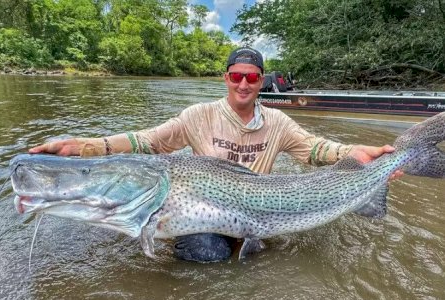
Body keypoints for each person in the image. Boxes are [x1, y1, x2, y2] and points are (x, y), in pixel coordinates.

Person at [29, 47, 401, 262]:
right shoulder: (197, 116)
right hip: (210, 217)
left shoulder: (279, 122)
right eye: (236, 76)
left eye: (252, 78)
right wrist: (83, 147)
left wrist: (357, 152)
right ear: (226, 78)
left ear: (261, 82)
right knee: (206, 252)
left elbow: (318, 149)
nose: (243, 83)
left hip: (261, 207)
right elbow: (147, 141)